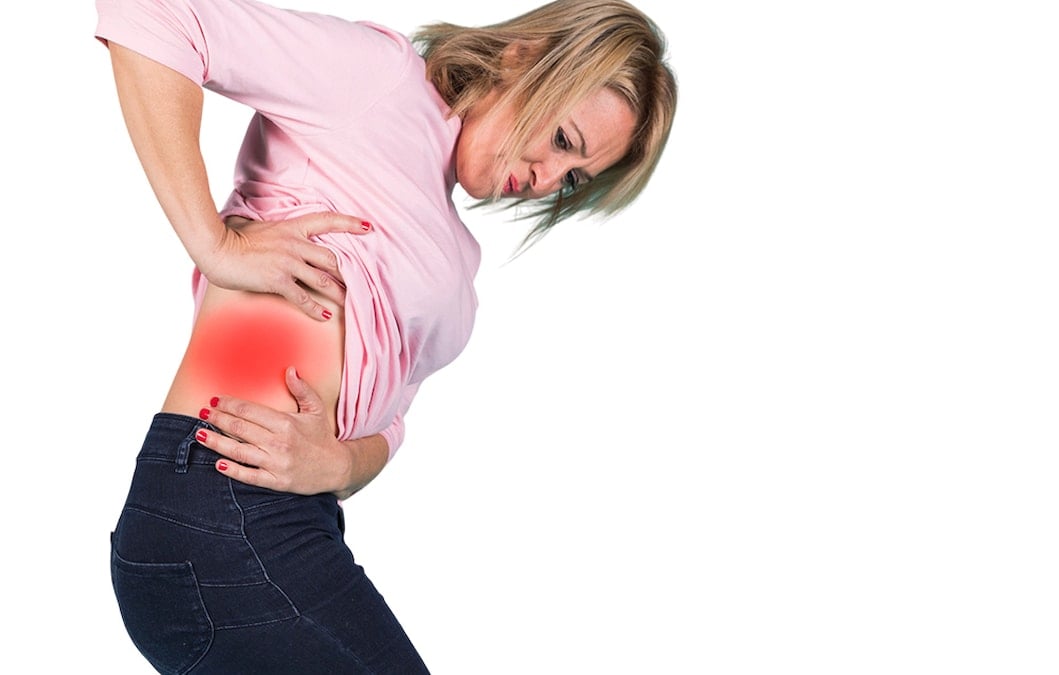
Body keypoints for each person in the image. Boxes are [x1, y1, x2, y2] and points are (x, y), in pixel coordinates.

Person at [95, 0, 676, 671]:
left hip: (294, 523)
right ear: (525, 56)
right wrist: (214, 243)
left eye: (572, 178)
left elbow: (389, 422)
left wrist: (341, 465)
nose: (545, 180)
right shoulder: (379, 80)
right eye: (564, 140)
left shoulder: (456, 262)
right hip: (220, 502)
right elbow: (158, 15)